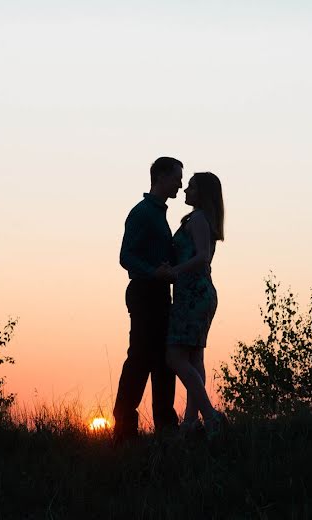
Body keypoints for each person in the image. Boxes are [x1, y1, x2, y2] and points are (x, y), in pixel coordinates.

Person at [112, 156, 183, 442]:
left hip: (159, 294)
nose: (180, 183)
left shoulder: (159, 214)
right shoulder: (142, 213)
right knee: (140, 358)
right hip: (144, 293)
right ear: (162, 176)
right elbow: (125, 256)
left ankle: (165, 428)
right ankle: (124, 428)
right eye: (177, 177)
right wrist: (154, 273)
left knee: (164, 361)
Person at [165, 172, 227, 436]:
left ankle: (210, 417)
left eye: (191, 186)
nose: (185, 189)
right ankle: (190, 423)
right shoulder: (197, 218)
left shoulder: (199, 218)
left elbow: (203, 257)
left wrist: (175, 271)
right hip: (194, 293)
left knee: (174, 357)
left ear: (201, 192)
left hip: (194, 294)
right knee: (193, 358)